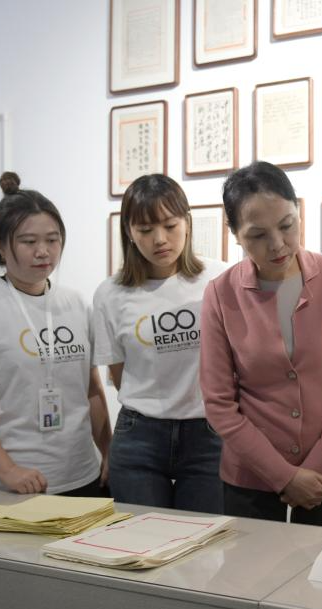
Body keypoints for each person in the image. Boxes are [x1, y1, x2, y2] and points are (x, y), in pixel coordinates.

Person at [200, 161, 322, 529]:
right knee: (251, 567)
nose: (277, 244)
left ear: (298, 211)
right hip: (251, 475)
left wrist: (318, 468)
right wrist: (284, 477)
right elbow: (218, 404)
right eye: (257, 235)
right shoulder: (221, 294)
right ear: (235, 234)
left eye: (287, 225)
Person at [0, 173, 111, 495]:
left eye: (52, 240)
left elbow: (92, 389)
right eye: (29, 242)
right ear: (1, 246)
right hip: (10, 484)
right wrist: (9, 471)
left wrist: (108, 450)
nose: (43, 251)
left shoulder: (76, 303)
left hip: (82, 474)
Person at [92, 174, 227, 512]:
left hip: (207, 432)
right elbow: (120, 375)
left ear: (187, 222)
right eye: (145, 229)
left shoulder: (220, 279)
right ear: (128, 231)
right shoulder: (110, 294)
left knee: (202, 540)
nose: (160, 239)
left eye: (170, 225)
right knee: (141, 538)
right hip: (140, 435)